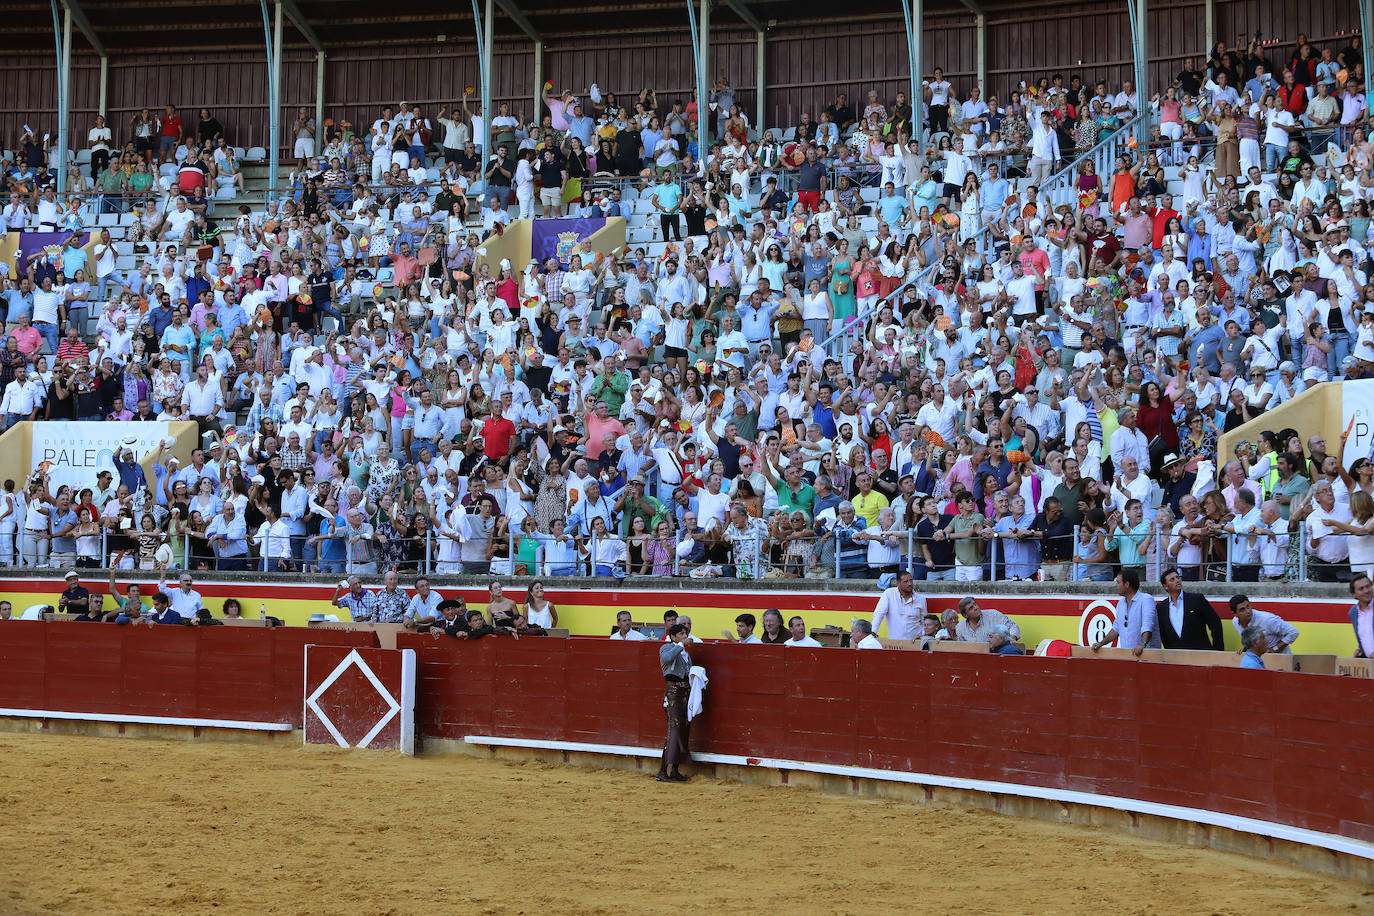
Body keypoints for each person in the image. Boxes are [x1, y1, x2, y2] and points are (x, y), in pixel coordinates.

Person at [1092, 568, 1159, 657]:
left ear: (1127, 584)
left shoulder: (1146, 599)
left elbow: (1147, 626)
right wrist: (1101, 643)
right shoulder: (1121, 603)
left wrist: (1142, 644)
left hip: (1147, 655)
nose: (1116, 585)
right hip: (1128, 655)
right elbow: (1116, 629)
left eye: (1118, 582)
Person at [656, 623, 693, 783]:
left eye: (686, 634)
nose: (685, 636)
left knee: (683, 730)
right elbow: (667, 658)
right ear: (673, 637)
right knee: (674, 731)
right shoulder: (666, 648)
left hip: (685, 693)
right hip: (673, 694)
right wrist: (680, 645)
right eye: (682, 634)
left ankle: (675, 771)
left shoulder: (685, 653)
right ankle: (663, 771)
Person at [1155, 567, 1223, 650]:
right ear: (1165, 586)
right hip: (1175, 657)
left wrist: (1217, 651)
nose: (1177, 580)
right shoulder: (1161, 608)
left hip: (1201, 655)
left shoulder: (1197, 599)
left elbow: (1215, 623)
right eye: (1172, 579)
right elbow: (1163, 633)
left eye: (1178, 577)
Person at [1228, 594, 1299, 655]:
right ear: (1235, 614)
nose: (1248, 611)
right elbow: (1251, 641)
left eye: (1248, 606)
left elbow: (1293, 632)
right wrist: (1245, 649)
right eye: (1242, 610)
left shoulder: (1267, 619)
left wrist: (1274, 649)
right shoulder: (1235, 622)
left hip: (1280, 659)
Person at [871, 568, 926, 639]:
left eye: (911, 580)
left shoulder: (920, 598)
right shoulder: (889, 594)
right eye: (906, 581)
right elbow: (879, 614)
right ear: (898, 583)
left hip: (916, 641)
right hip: (896, 643)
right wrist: (873, 633)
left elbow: (924, 621)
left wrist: (922, 637)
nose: (910, 584)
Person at [954, 596, 1021, 643]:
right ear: (965, 615)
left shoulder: (993, 615)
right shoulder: (960, 627)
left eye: (975, 604)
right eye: (971, 608)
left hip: (995, 654)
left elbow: (1013, 626)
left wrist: (1012, 637)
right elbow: (962, 647)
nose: (976, 608)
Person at [1350, 572, 1374, 658]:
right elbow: (1364, 638)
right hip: (1369, 667)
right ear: (1354, 594)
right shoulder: (1353, 613)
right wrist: (1362, 651)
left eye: (1368, 586)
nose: (1366, 591)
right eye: (1361, 589)